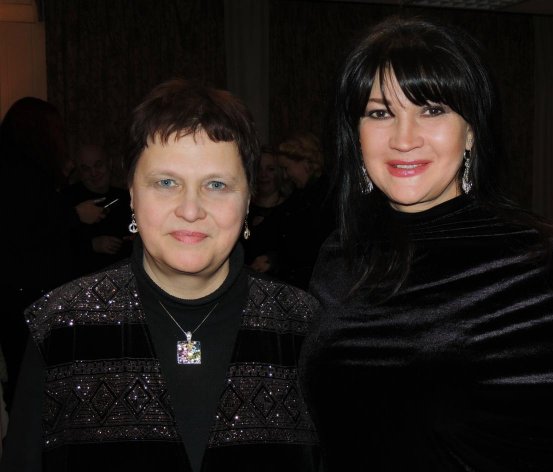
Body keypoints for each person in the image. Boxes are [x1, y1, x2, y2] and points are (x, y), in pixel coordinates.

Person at [299, 15, 553, 471]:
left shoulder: (531, 259)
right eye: (380, 113)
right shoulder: (342, 254)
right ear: (355, 134)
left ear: (471, 131)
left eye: (432, 110)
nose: (404, 138)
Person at [0, 80, 320, 471]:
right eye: (166, 182)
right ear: (132, 193)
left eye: (216, 184)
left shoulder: (304, 328)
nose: (190, 209)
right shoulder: (60, 329)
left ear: (248, 198)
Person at [0, 97, 105, 414]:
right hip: (31, 295)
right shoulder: (22, 173)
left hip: (25, 294)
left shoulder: (18, 169)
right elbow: (27, 228)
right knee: (34, 378)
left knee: (31, 377)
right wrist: (74, 215)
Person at [273, 131, 336, 289]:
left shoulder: (327, 197)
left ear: (306, 161)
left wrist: (276, 261)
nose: (285, 176)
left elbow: (310, 249)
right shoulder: (299, 194)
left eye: (286, 168)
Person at [62, 143, 133, 276]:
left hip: (127, 273)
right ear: (78, 171)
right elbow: (53, 245)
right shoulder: (66, 199)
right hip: (86, 279)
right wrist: (92, 245)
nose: (94, 173)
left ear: (109, 163)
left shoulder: (126, 197)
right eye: (86, 169)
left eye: (98, 165)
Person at [242, 146, 292, 274]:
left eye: (270, 169)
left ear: (280, 173)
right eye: (259, 169)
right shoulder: (243, 208)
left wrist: (274, 262)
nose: (263, 175)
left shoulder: (292, 210)